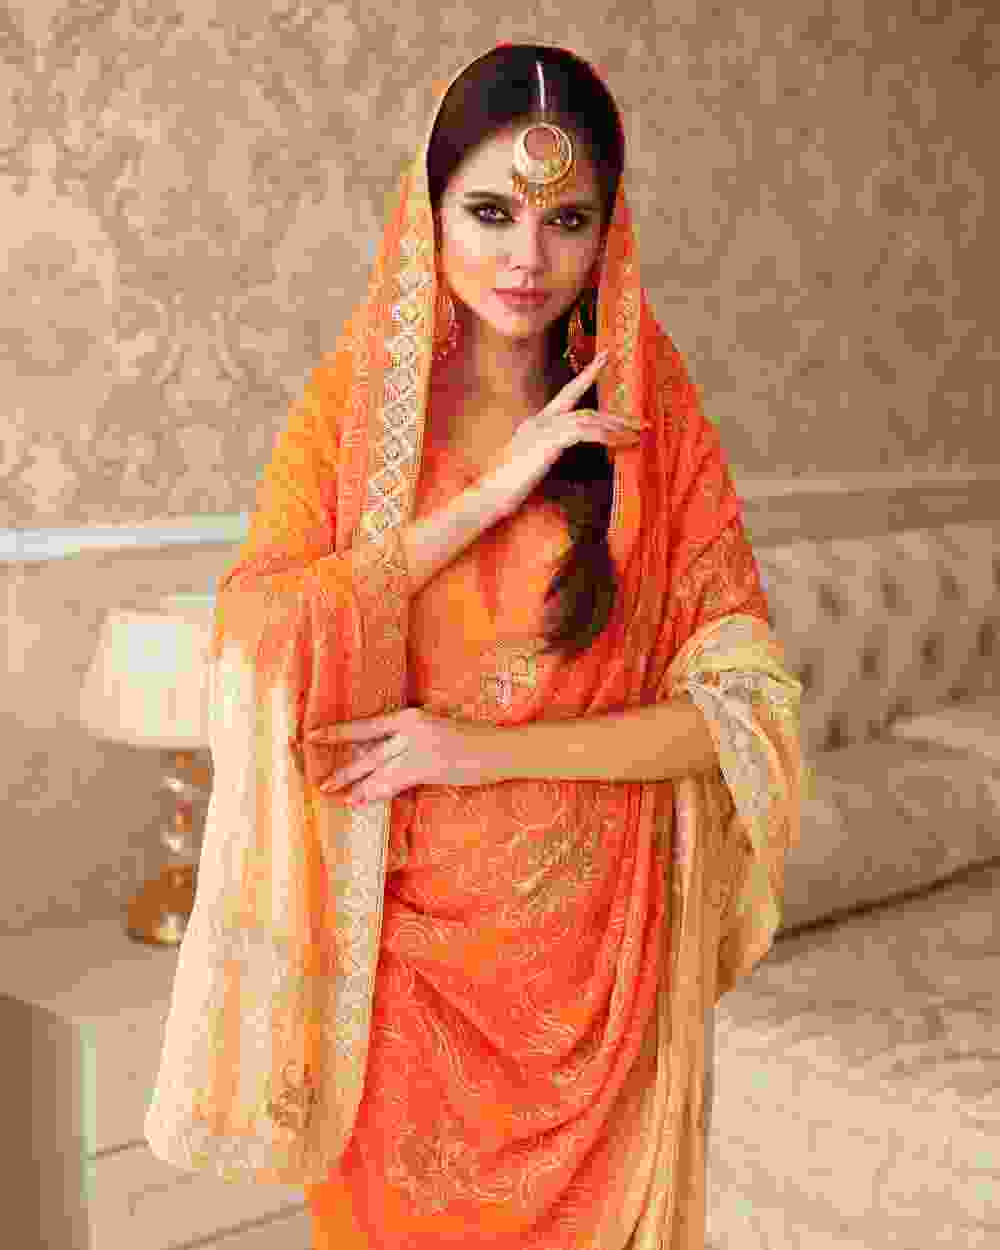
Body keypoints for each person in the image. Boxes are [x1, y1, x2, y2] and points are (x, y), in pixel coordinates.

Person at [144, 43, 808, 1250]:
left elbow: (739, 718)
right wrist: (488, 497)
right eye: (491, 211)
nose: (526, 257)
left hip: (600, 981)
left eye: (567, 219)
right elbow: (258, 633)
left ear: (607, 232)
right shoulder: (352, 414)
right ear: (430, 210)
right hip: (398, 979)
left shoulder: (650, 424)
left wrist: (469, 750)